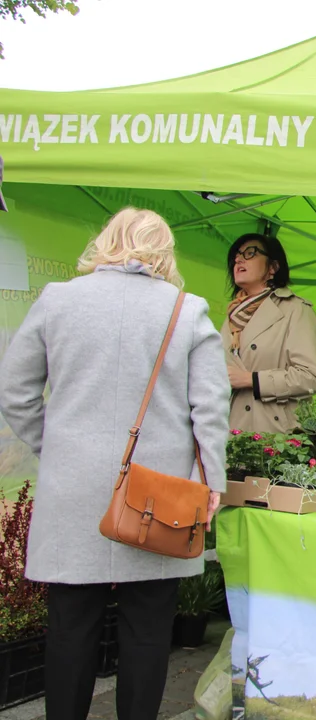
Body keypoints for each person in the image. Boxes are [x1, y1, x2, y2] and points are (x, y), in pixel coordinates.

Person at [0, 208, 230, 720]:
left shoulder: (57, 300)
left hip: (73, 489)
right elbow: (210, 409)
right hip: (160, 495)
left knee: (69, 628)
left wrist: (56, 448)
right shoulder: (187, 311)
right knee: (149, 631)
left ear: (104, 241)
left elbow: (15, 394)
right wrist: (211, 480)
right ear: (164, 252)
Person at [221, 233, 316, 434]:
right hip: (231, 431)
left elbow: (311, 377)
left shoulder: (295, 310)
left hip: (275, 434)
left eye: (250, 253)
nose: (238, 259)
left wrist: (251, 379)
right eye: (236, 255)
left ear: (273, 268)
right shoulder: (231, 317)